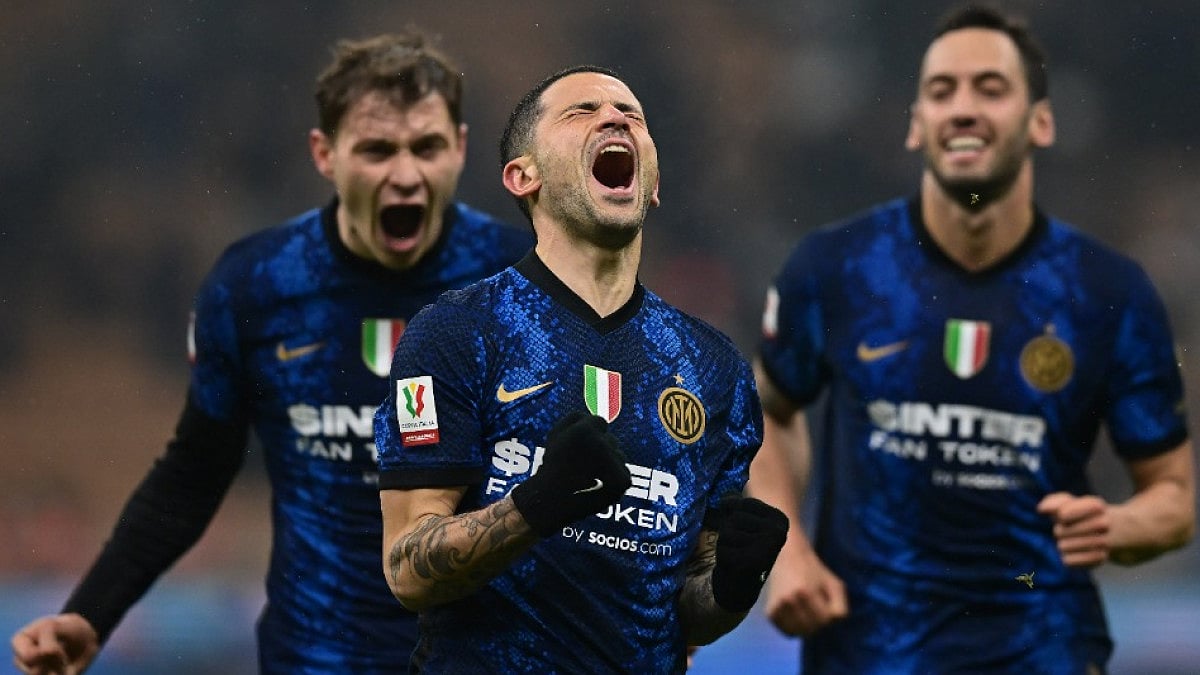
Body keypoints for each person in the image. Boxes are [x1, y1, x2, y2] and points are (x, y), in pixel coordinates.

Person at [11, 31, 533, 674]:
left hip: (484, 659)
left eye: (425, 147)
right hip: (315, 658)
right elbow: (194, 474)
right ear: (325, 154)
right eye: (376, 149)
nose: (405, 174)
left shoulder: (520, 284)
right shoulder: (257, 285)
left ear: (459, 147)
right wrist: (92, 612)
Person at [749, 4, 1196, 673]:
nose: (963, 108)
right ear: (915, 125)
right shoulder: (835, 268)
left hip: (1044, 647)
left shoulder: (1109, 291)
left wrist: (1119, 526)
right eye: (941, 91)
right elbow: (766, 410)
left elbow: (1175, 499)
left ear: (1040, 120)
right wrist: (787, 554)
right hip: (871, 650)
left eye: (990, 88)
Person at [373, 65, 789, 672]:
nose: (615, 118)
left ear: (652, 184)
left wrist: (734, 585)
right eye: (582, 111)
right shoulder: (458, 331)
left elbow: (689, 613)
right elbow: (408, 569)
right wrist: (537, 504)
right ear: (523, 176)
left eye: (632, 115)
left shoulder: (714, 369)